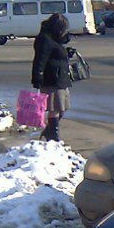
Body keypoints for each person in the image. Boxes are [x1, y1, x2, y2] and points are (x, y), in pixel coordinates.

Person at [31, 12, 72, 142]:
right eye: (62, 29)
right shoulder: (45, 39)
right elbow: (40, 60)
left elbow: (57, 52)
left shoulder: (53, 39)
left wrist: (66, 52)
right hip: (52, 80)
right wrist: (37, 77)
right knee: (55, 109)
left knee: (62, 109)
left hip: (61, 79)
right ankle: (53, 136)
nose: (63, 32)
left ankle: (49, 131)